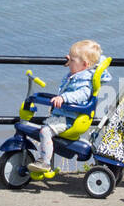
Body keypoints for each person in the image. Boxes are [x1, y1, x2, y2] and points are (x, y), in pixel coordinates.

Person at [29, 40, 105, 175]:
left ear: (85, 64)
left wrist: (64, 98)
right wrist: (72, 61)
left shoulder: (84, 80)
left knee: (45, 131)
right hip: (63, 115)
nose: (68, 60)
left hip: (68, 119)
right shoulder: (78, 73)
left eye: (72, 59)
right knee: (44, 127)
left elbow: (82, 94)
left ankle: (45, 162)